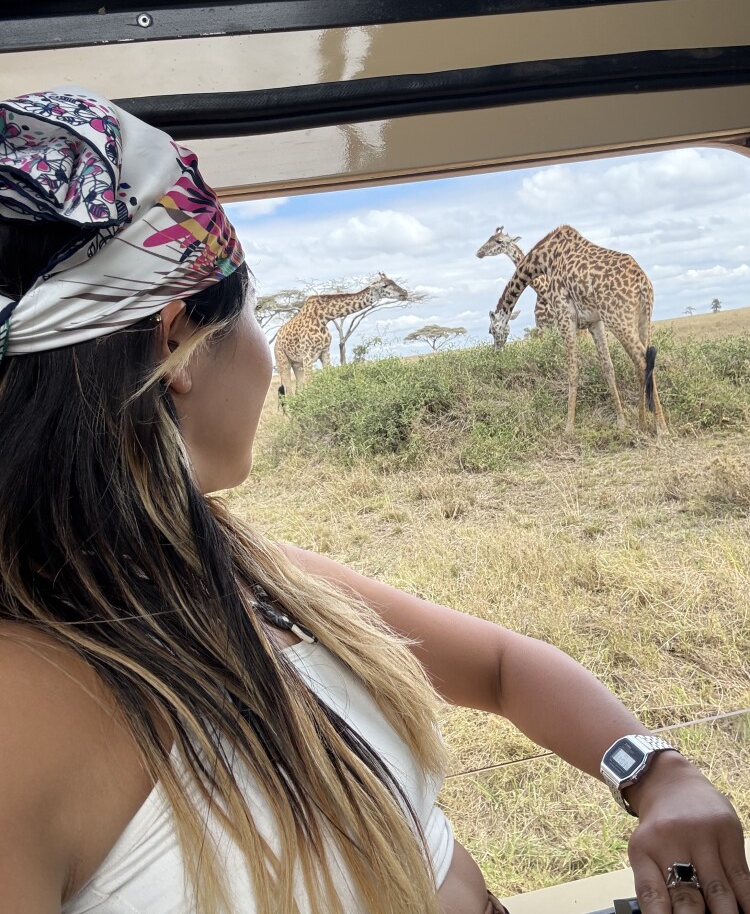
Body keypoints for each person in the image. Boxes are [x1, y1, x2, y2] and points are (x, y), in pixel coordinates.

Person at [0, 87, 747, 914]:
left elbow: (501, 666)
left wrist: (656, 771)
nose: (269, 354)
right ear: (178, 342)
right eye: (251, 312)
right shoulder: (23, 707)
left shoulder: (229, 562)